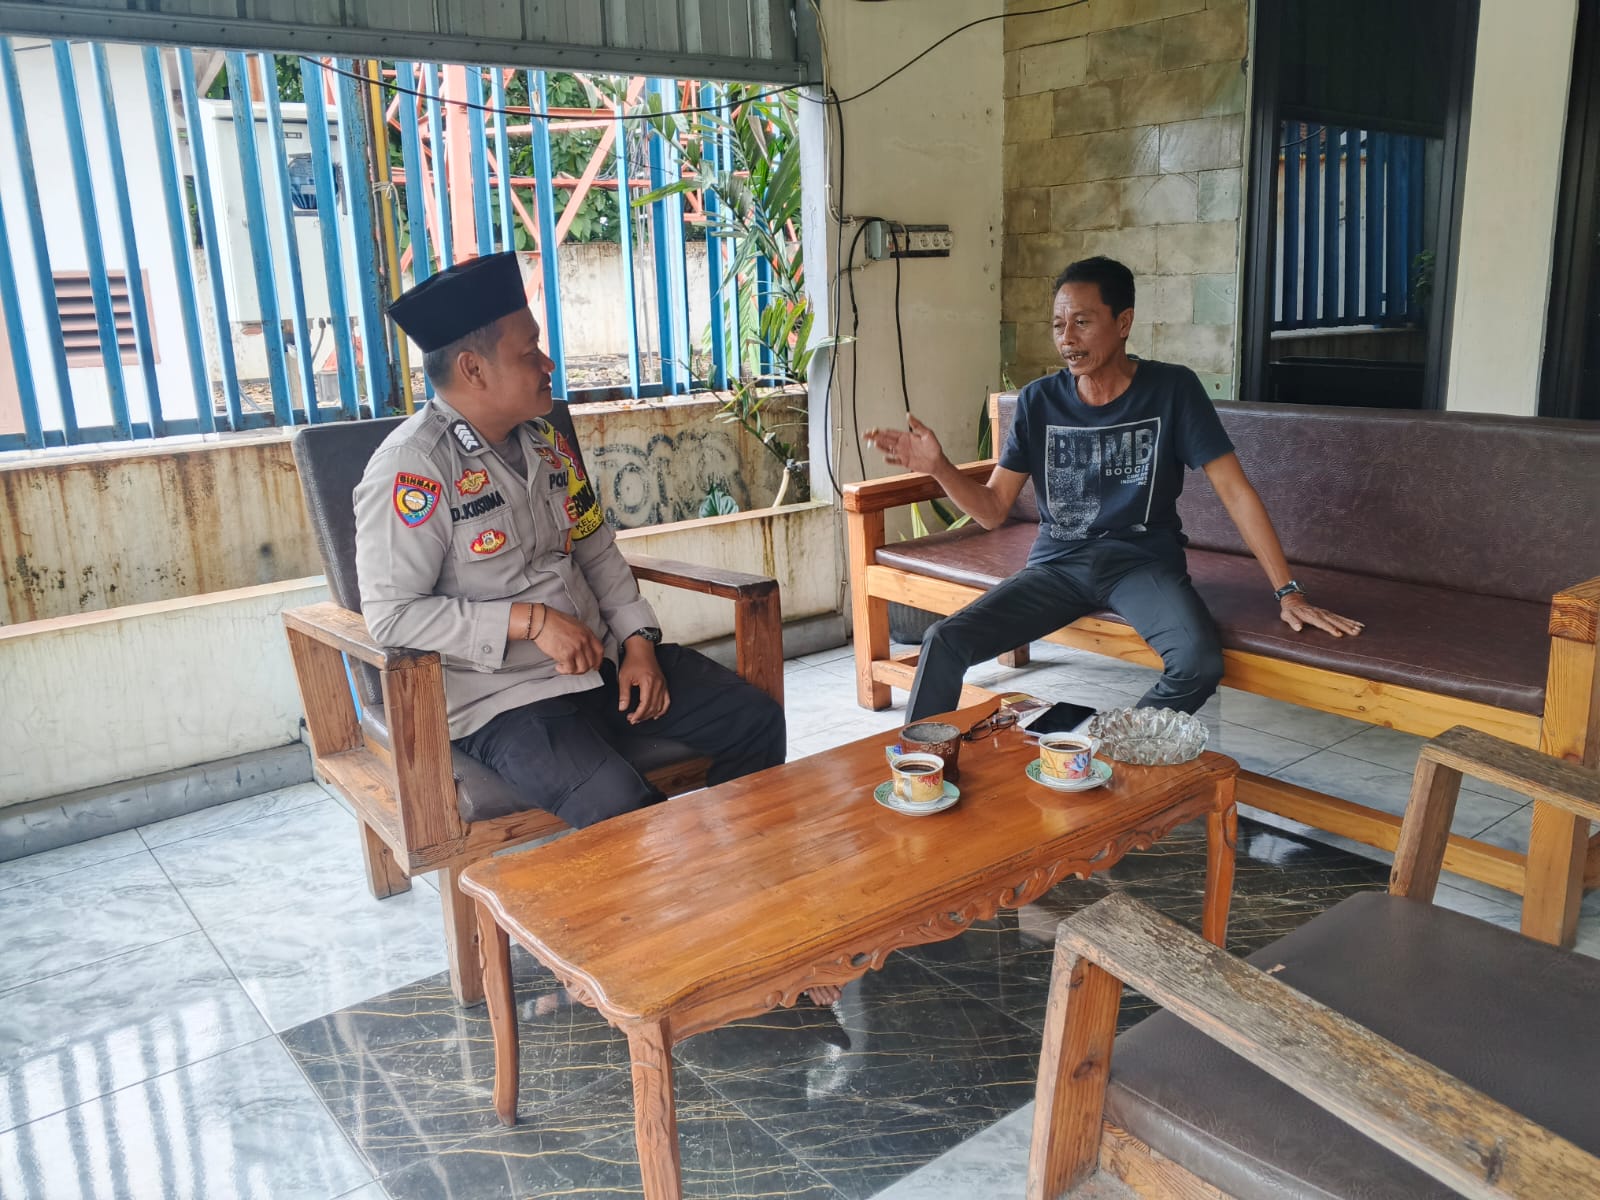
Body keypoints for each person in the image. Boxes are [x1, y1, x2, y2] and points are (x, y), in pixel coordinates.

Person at [353, 251, 787, 830]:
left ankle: (753, 865)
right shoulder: (415, 468)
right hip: (503, 699)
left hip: (602, 666)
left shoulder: (544, 444)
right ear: (473, 369)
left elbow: (594, 547)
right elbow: (392, 615)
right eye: (529, 352)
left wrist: (637, 643)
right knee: (622, 811)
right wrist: (530, 621)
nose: (548, 363)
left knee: (754, 720)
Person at [864, 255, 1363, 724]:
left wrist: (1288, 592)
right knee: (944, 640)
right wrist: (939, 467)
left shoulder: (1172, 390)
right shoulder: (1039, 402)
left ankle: (1112, 748)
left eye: (1082, 322)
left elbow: (1235, 492)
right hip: (1057, 566)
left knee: (1198, 663)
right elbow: (993, 509)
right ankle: (921, 769)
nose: (1067, 339)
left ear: (1123, 323)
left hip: (1141, 564)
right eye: (1058, 325)